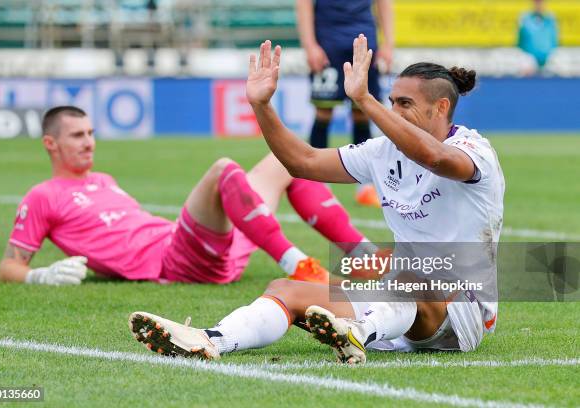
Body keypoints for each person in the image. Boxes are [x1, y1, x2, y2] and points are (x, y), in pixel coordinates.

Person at [128, 38, 504, 362]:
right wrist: (261, 106)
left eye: (404, 104)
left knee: (408, 275)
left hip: (461, 311)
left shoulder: (473, 149)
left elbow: (436, 159)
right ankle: (210, 341)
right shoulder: (382, 152)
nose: (393, 112)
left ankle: (358, 330)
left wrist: (364, 101)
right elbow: (302, 161)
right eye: (390, 102)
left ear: (441, 108)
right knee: (285, 290)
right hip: (398, 304)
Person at [0, 106, 381, 286]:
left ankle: (362, 256)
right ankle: (296, 264)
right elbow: (8, 268)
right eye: (77, 136)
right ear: (50, 143)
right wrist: (40, 276)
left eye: (91, 133)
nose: (89, 142)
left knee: (288, 161)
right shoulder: (42, 196)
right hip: (176, 259)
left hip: (201, 245)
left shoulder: (103, 179)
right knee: (223, 169)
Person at [296, 0, 394, 207]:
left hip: (364, 38)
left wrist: (388, 44)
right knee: (324, 111)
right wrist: (309, 45)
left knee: (362, 111)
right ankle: (317, 184)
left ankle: (365, 186)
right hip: (327, 41)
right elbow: (303, 4)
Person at [517, 0, 559, 74]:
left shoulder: (550, 19)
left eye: (541, 2)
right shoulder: (525, 19)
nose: (539, 5)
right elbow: (520, 41)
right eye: (537, 2)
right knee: (526, 67)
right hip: (530, 58)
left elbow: (554, 40)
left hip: (548, 58)